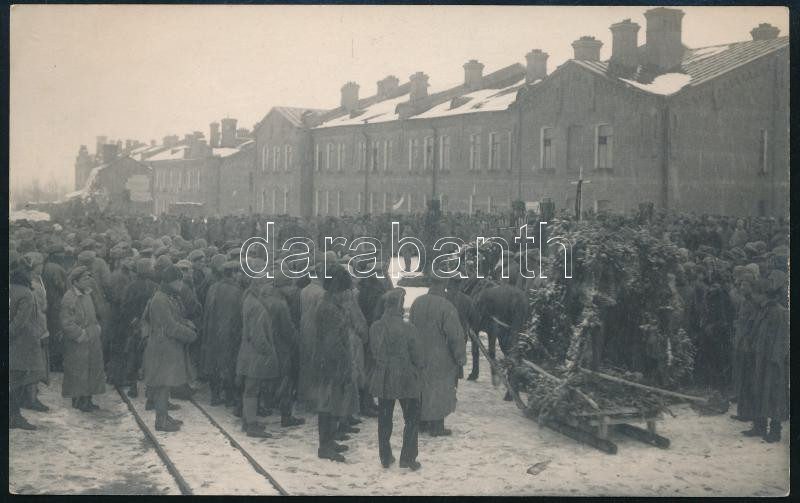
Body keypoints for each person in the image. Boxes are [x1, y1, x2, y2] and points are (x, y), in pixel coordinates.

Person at [368, 288, 424, 470]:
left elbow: (374, 352)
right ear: (400, 306)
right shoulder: (408, 329)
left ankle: (385, 456)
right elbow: (418, 357)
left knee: (384, 418)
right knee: (412, 417)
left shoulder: (375, 327)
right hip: (406, 378)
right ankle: (408, 458)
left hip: (384, 378)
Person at [410, 274, 466, 436]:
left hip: (419, 353)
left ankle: (421, 422)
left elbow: (411, 327)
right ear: (444, 285)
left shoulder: (417, 302)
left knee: (422, 388)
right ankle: (436, 426)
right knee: (439, 389)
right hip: (440, 355)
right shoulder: (446, 306)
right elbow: (455, 335)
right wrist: (460, 357)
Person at [143, 265, 197, 432]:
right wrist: (190, 334)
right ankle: (161, 421)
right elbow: (170, 326)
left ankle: (164, 416)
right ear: (170, 282)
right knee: (162, 384)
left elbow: (176, 318)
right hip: (162, 347)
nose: (181, 283)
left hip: (168, 346)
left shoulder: (169, 296)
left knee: (165, 384)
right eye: (178, 280)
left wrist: (186, 323)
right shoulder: (161, 299)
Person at [313, 265, 358, 462]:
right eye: (343, 290)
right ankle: (325, 446)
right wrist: (344, 362)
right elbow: (333, 343)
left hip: (330, 362)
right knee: (327, 404)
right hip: (330, 364)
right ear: (336, 289)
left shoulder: (331, 306)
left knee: (333, 403)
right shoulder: (329, 309)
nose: (346, 294)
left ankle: (329, 441)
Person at [235, 259, 279, 438]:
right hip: (255, 354)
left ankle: (248, 420)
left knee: (250, 388)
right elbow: (258, 335)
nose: (271, 287)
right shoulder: (256, 305)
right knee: (252, 389)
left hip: (249, 351)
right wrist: (268, 351)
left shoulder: (250, 299)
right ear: (261, 284)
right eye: (269, 283)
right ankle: (251, 424)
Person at [743, 275, 789, 443]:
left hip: (772, 360)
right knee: (758, 390)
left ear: (764, 294)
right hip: (759, 358)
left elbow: (782, 337)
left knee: (774, 394)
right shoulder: (762, 310)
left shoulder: (779, 312)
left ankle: (775, 430)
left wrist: (776, 359)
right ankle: (759, 425)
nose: (753, 296)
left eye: (756, 293)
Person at [60, 266, 106, 412]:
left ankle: (87, 398)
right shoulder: (69, 298)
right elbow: (66, 323)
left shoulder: (86, 294)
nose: (88, 281)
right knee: (78, 371)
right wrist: (81, 334)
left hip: (92, 339)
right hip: (79, 342)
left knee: (92, 369)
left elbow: (93, 315)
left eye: (89, 277)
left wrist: (96, 328)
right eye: (85, 278)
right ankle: (79, 400)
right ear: (75, 281)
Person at [10, 252, 47, 429]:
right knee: (16, 382)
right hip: (21, 345)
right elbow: (20, 322)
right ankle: (14, 417)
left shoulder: (10, 289)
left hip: (13, 344)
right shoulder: (26, 294)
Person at [201, 260, 244, 408]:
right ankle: (229, 397)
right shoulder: (237, 291)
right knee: (229, 365)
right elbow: (239, 316)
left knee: (214, 364)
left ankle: (214, 395)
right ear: (233, 273)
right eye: (238, 272)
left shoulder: (213, 287)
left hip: (213, 333)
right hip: (229, 334)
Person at [22, 251, 51, 412]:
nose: (42, 267)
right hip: (37, 327)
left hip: (33, 326)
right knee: (36, 364)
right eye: (40, 264)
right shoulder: (35, 285)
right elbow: (41, 308)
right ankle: (31, 398)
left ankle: (29, 395)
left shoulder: (34, 281)